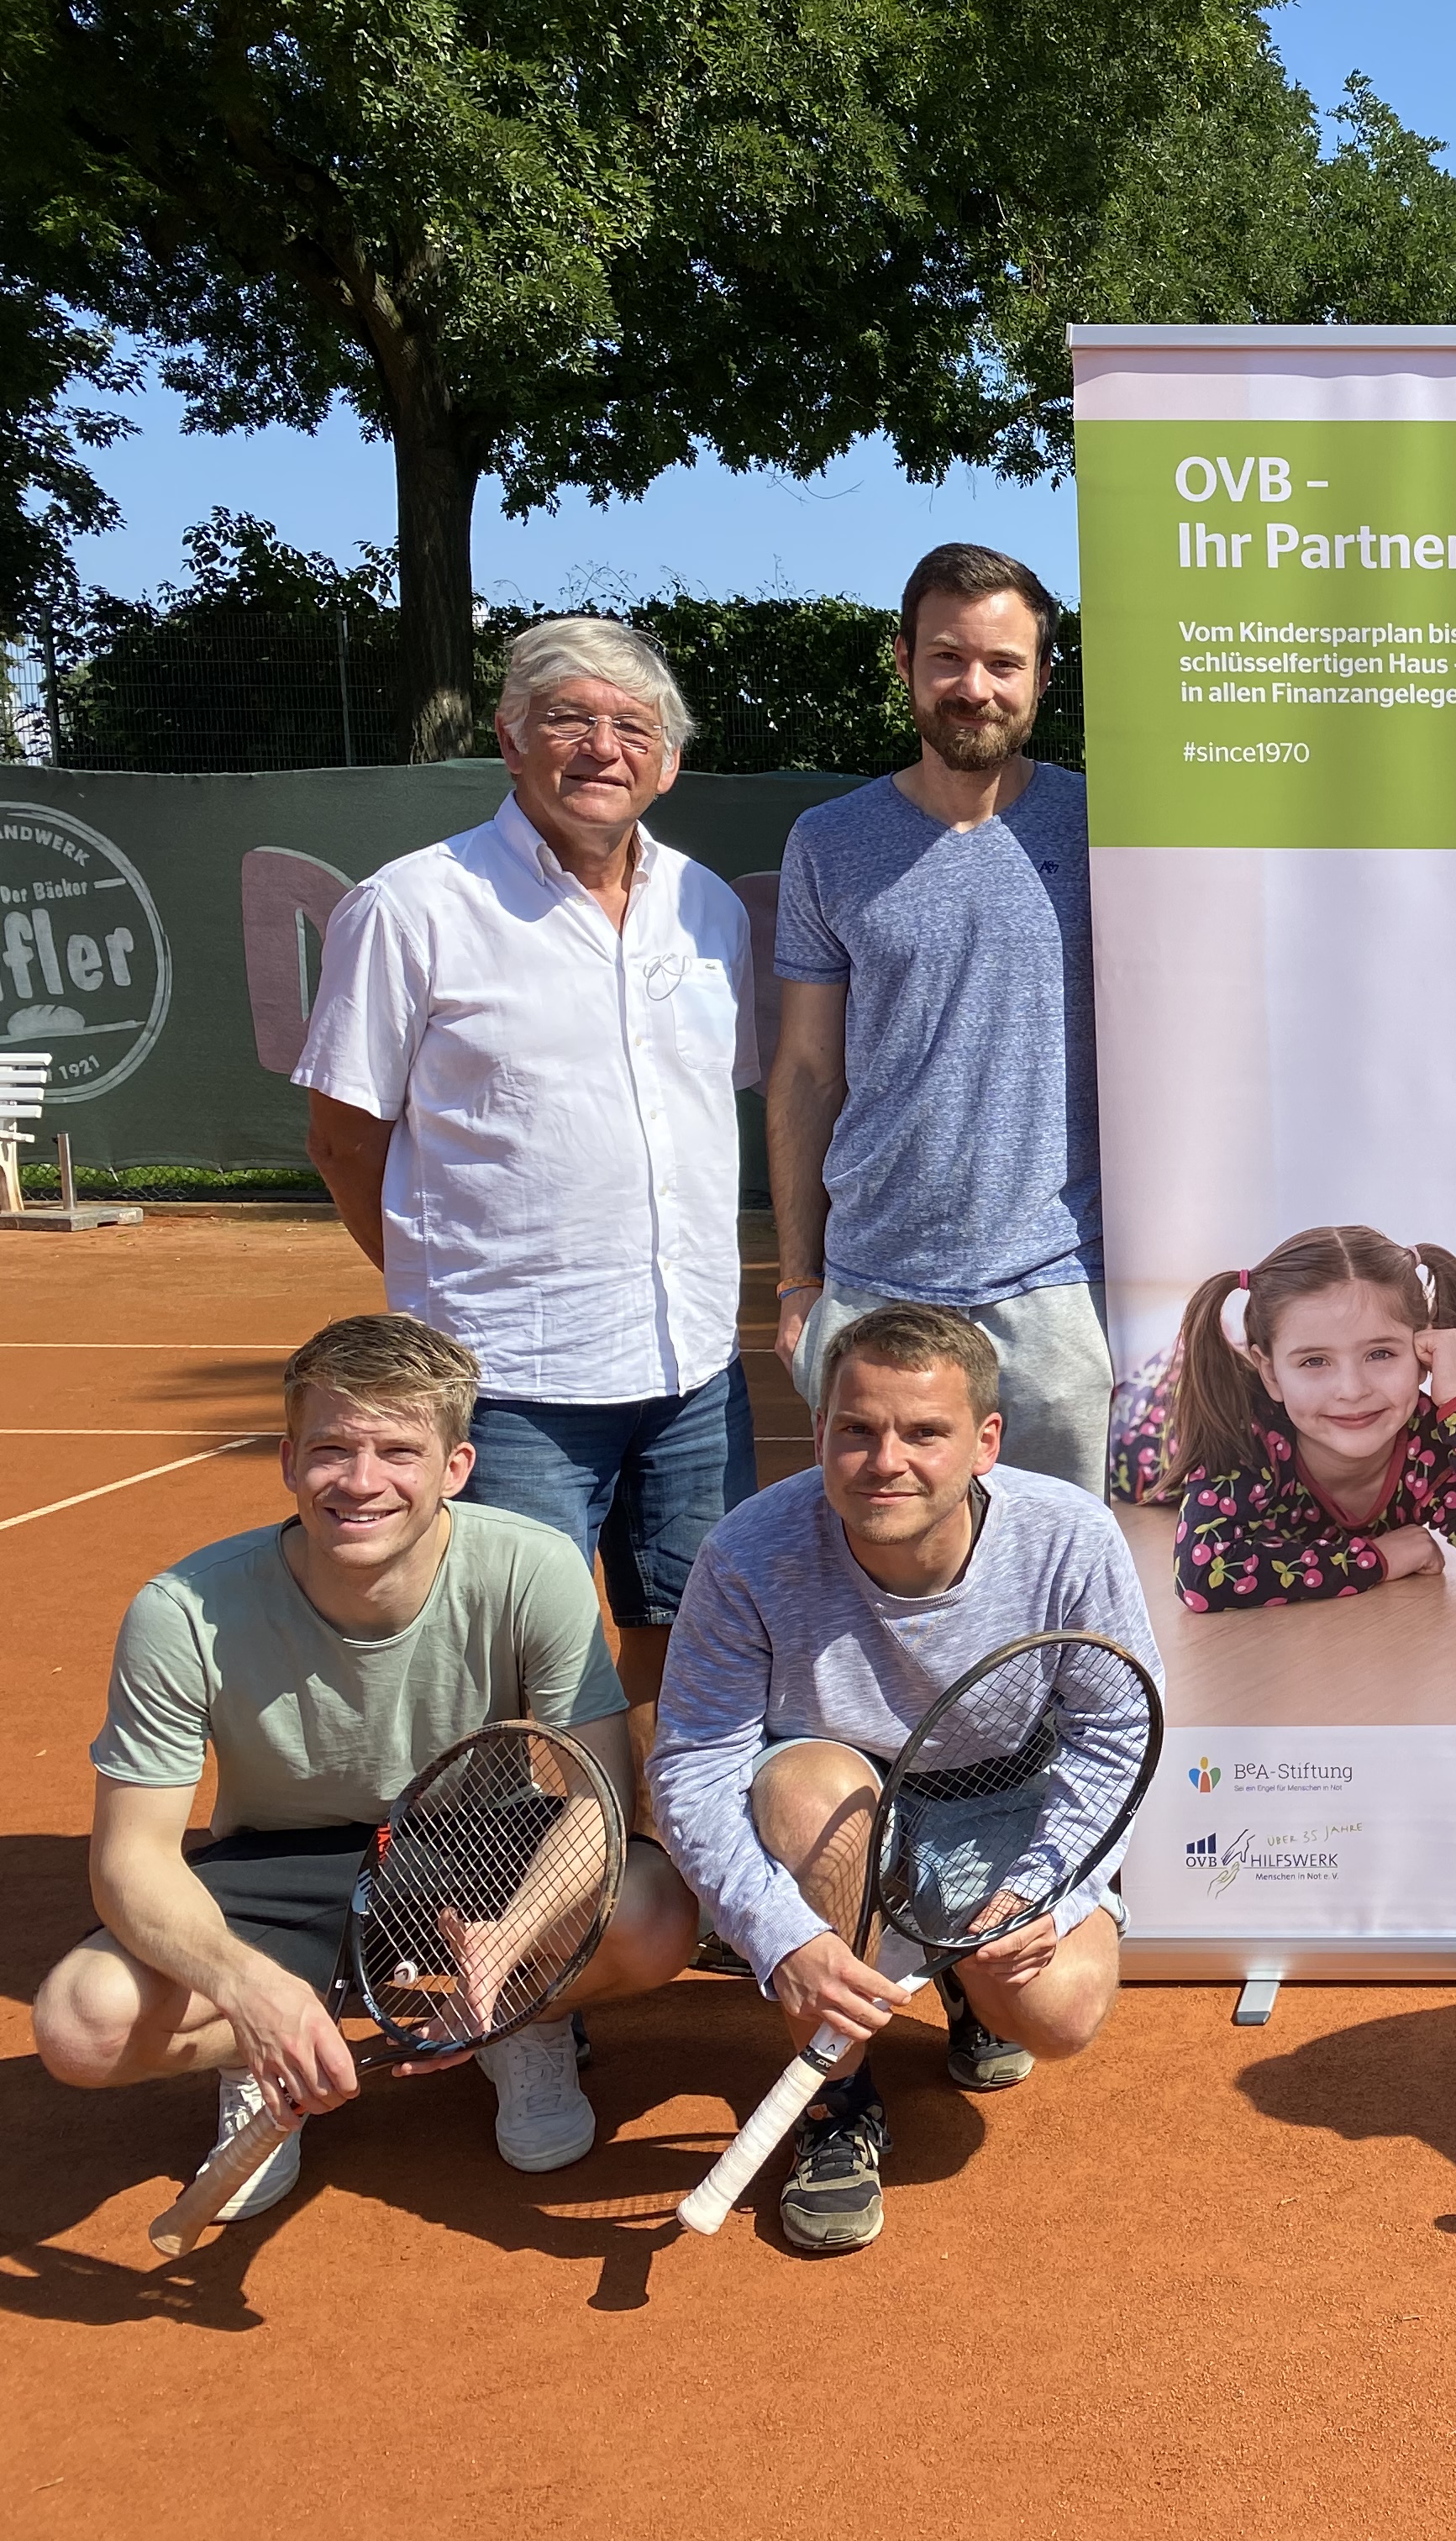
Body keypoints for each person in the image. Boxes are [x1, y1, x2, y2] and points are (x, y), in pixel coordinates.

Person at [34, 1316, 698, 2223]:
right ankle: (263, 2052)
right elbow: (130, 1859)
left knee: (653, 1915)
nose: (361, 1480)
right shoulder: (180, 1610)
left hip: (478, 1844)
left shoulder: (532, 1566)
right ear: (287, 1458)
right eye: (332, 1449)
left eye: (397, 1450)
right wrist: (245, 1987)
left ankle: (526, 2022)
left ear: (455, 1468)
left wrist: (510, 1950)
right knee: (82, 2022)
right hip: (281, 1859)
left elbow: (596, 1798)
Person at [297, 616, 757, 1747]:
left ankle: (655, 1868)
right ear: (510, 740)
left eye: (631, 726)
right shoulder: (410, 906)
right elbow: (344, 1141)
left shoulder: (711, 909)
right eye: (570, 720)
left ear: (671, 760)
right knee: (515, 1667)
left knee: (688, 1636)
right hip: (509, 1381)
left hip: (693, 1365)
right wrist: (452, 1287)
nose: (602, 747)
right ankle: (522, 1900)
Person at [649, 1303, 1161, 2255]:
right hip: (838, 1800)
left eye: (926, 1431)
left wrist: (1048, 1885)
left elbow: (1117, 1727)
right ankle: (837, 2104)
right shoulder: (747, 1553)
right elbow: (693, 1764)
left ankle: (970, 1978)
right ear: (822, 1434)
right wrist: (780, 1934)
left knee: (1059, 2015)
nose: (887, 1460)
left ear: (984, 1443)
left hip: (1000, 1797)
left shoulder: (1069, 1537)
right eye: (859, 1430)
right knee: (812, 1788)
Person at [768, 543, 1110, 1492]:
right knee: (882, 1601)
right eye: (947, 658)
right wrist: (800, 1281)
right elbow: (805, 1069)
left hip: (1060, 1298)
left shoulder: (1105, 830)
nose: (975, 687)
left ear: (1043, 674)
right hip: (875, 1287)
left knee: (1072, 1597)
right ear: (903, 662)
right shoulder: (829, 840)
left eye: (1003, 663)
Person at [1111, 1224, 1456, 1610]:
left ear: (1424, 1352)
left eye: (1380, 1353)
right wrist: (1377, 1559)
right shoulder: (1245, 1434)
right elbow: (1203, 1577)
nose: (1353, 1390)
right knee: (1147, 1422)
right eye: (1314, 1362)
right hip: (1151, 1421)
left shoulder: (1430, 1447)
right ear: (1269, 1372)